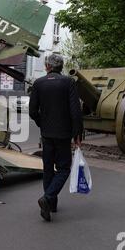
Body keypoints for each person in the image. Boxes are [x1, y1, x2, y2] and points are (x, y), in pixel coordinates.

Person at [29, 54, 83, 222]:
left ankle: (51, 205)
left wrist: (42, 124)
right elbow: (76, 111)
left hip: (46, 134)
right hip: (63, 134)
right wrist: (77, 134)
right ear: (61, 67)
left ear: (47, 67)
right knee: (64, 169)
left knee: (48, 169)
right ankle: (48, 198)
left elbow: (32, 111)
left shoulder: (38, 83)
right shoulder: (69, 83)